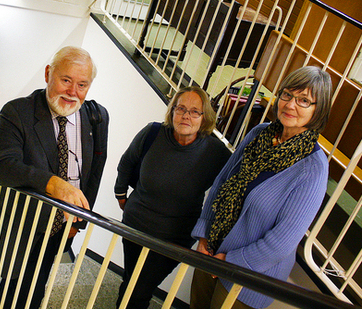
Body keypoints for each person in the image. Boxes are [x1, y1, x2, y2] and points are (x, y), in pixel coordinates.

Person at [190, 66, 332, 309]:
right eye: (286, 95)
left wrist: (230, 261)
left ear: (318, 110)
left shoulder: (313, 168)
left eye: (304, 100)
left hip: (248, 276)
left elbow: (283, 240)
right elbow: (221, 184)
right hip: (210, 251)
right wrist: (203, 236)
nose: (290, 105)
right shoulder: (259, 133)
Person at [0, 46, 109, 309]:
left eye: (82, 84)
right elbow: (2, 166)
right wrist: (52, 183)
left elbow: (95, 171)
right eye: (65, 80)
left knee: (39, 282)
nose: (72, 92)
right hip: (23, 224)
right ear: (48, 74)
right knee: (13, 286)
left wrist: (80, 221)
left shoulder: (97, 117)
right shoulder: (17, 112)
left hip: (61, 226)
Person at [114, 85, 231, 309]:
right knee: (132, 282)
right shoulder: (153, 133)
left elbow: (232, 188)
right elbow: (127, 162)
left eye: (195, 111)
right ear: (172, 111)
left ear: (204, 117)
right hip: (135, 228)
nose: (186, 115)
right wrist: (121, 195)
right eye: (181, 108)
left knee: (139, 289)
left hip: (175, 238)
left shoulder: (215, 151)